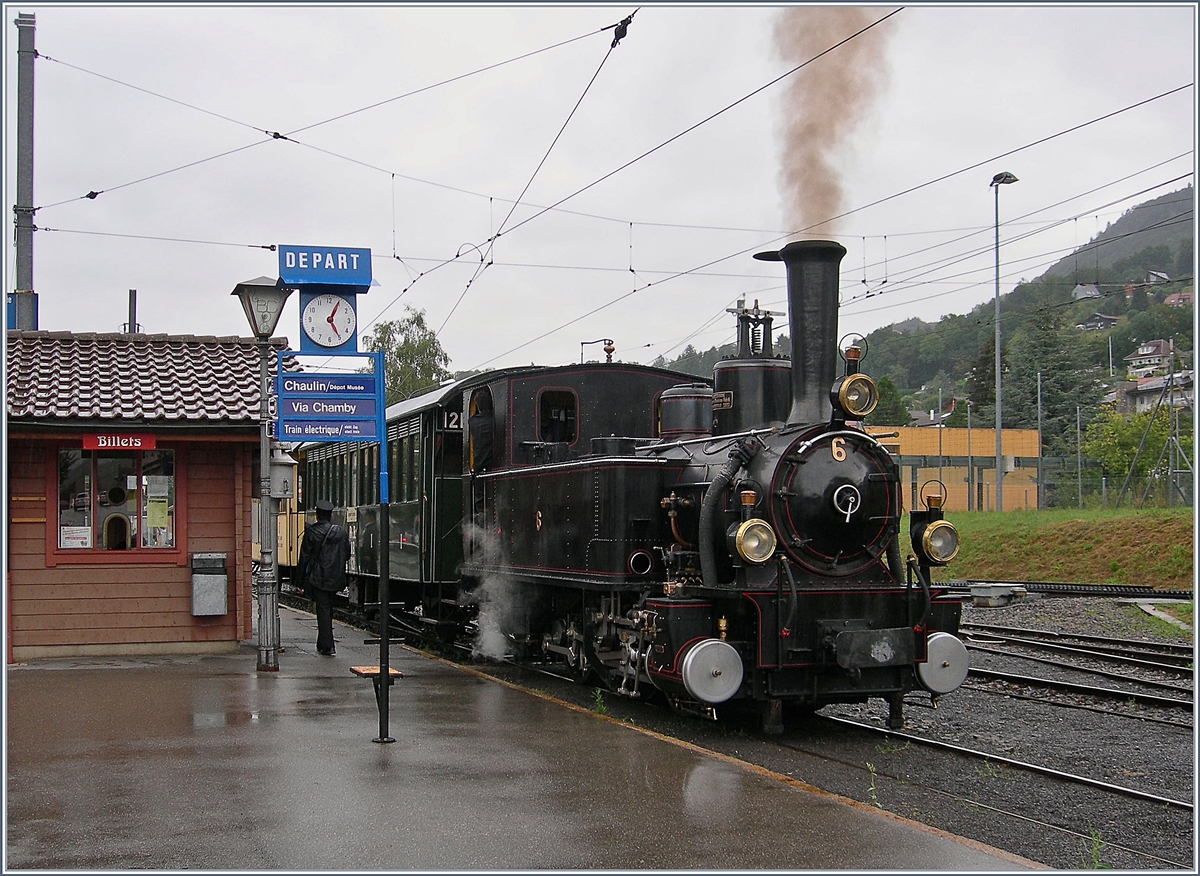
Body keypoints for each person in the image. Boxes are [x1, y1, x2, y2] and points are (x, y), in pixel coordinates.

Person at [295, 499, 351, 656]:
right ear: (331, 515)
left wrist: (299, 581)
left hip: (319, 578)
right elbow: (347, 554)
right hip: (336, 577)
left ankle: (327, 646)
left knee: (323, 610)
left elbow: (304, 558)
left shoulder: (312, 532)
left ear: (317, 516)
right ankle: (322, 643)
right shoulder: (341, 532)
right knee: (327, 609)